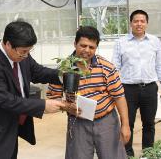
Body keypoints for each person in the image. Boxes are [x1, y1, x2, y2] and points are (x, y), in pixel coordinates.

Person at [0, 20, 77, 159]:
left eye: (29, 51)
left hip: (11, 126)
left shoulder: (21, 54)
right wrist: (44, 105)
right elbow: (7, 101)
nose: (26, 55)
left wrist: (63, 76)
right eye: (23, 52)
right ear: (8, 44)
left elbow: (38, 72)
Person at [47, 26, 131, 159]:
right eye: (83, 45)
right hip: (77, 121)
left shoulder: (106, 67)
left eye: (91, 47)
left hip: (106, 121)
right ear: (75, 44)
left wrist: (125, 125)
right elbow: (54, 97)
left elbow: (119, 97)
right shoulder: (63, 69)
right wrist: (66, 106)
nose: (87, 50)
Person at [112, 9, 161, 157]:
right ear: (131, 23)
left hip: (149, 88)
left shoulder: (154, 41)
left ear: (146, 23)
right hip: (127, 90)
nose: (139, 24)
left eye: (142, 21)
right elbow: (115, 67)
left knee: (149, 124)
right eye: (136, 21)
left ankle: (147, 153)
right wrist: (114, 90)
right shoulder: (121, 42)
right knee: (127, 123)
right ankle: (127, 154)